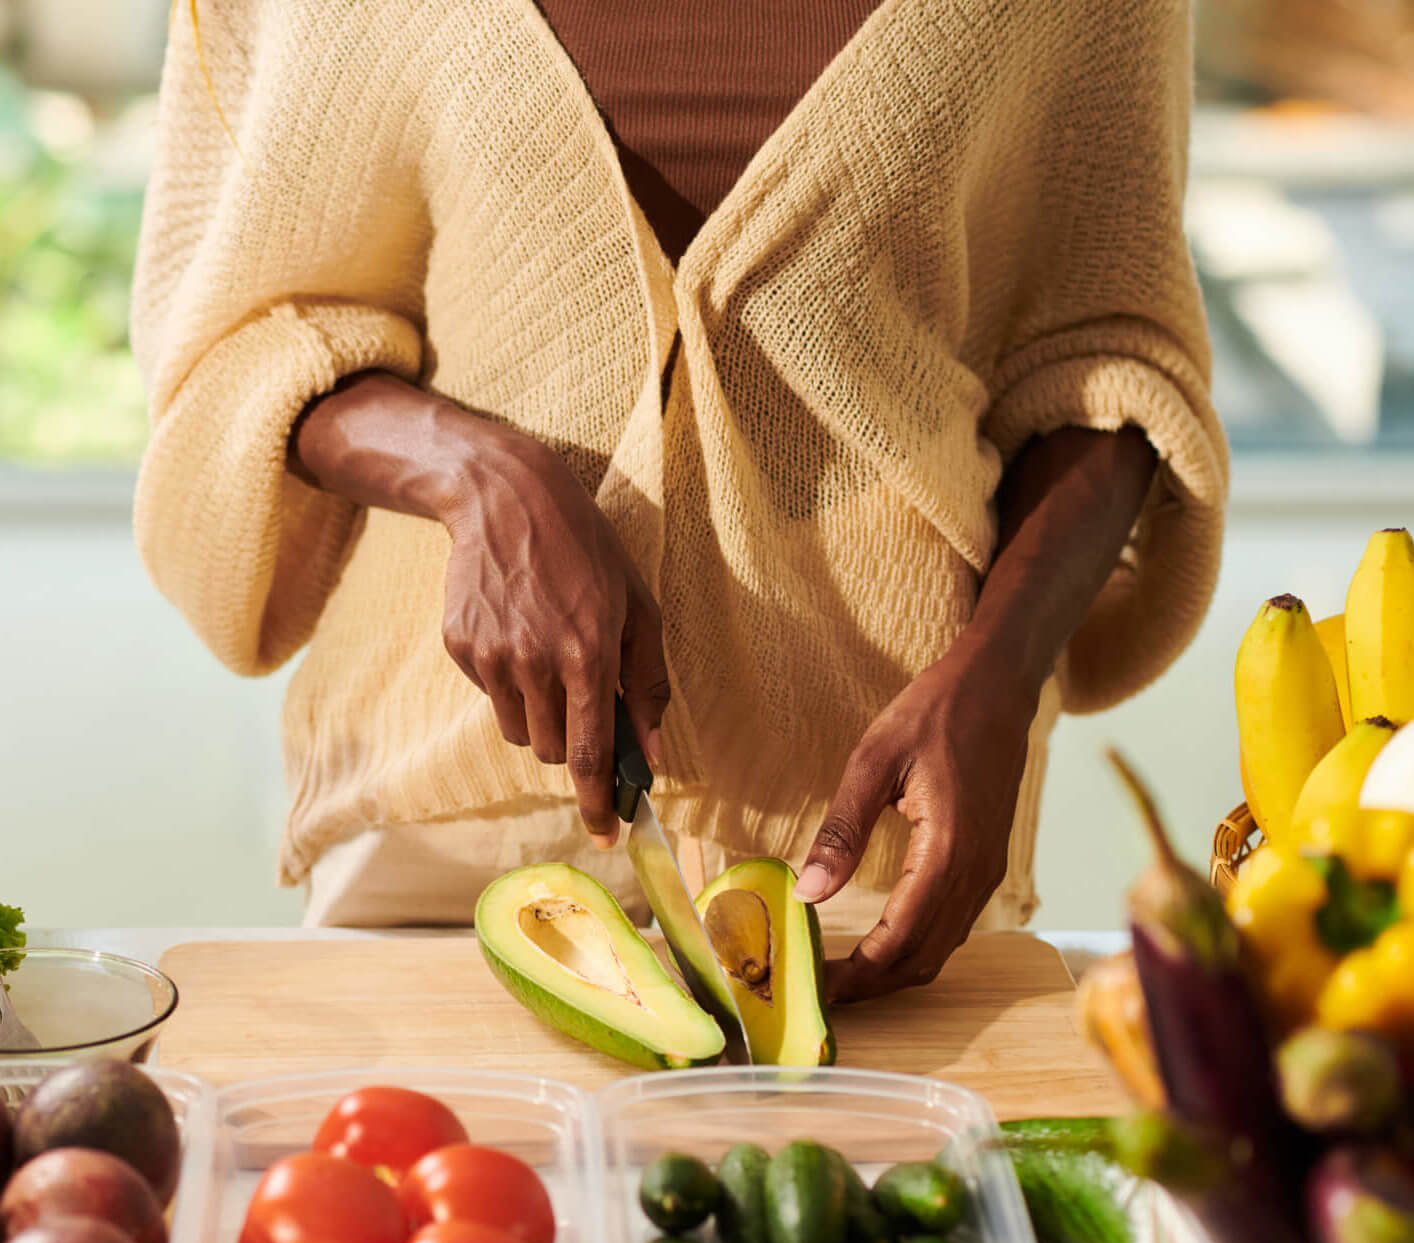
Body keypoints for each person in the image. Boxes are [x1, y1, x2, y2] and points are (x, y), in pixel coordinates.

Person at [131, 0, 1227, 1002]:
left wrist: (999, 669)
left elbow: (1105, 359)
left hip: (870, 827)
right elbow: (243, 335)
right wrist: (473, 472)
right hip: (447, 810)